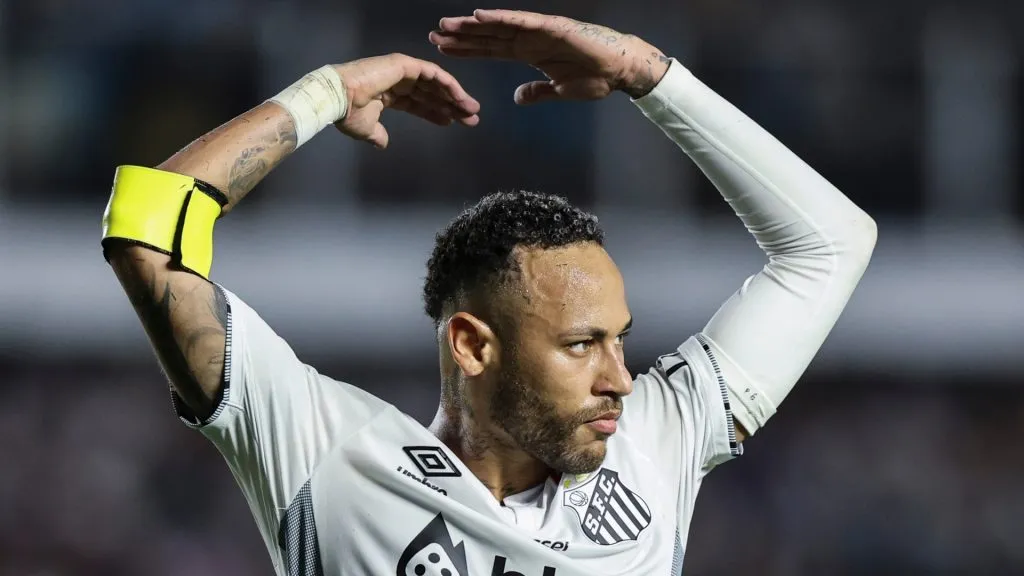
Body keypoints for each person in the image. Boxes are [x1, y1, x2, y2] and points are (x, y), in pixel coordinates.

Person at [102, 9, 876, 576]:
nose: (621, 377)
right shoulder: (331, 456)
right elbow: (146, 235)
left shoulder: (653, 446)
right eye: (581, 344)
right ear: (472, 344)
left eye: (619, 337)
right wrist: (328, 93)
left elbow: (832, 245)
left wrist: (649, 75)